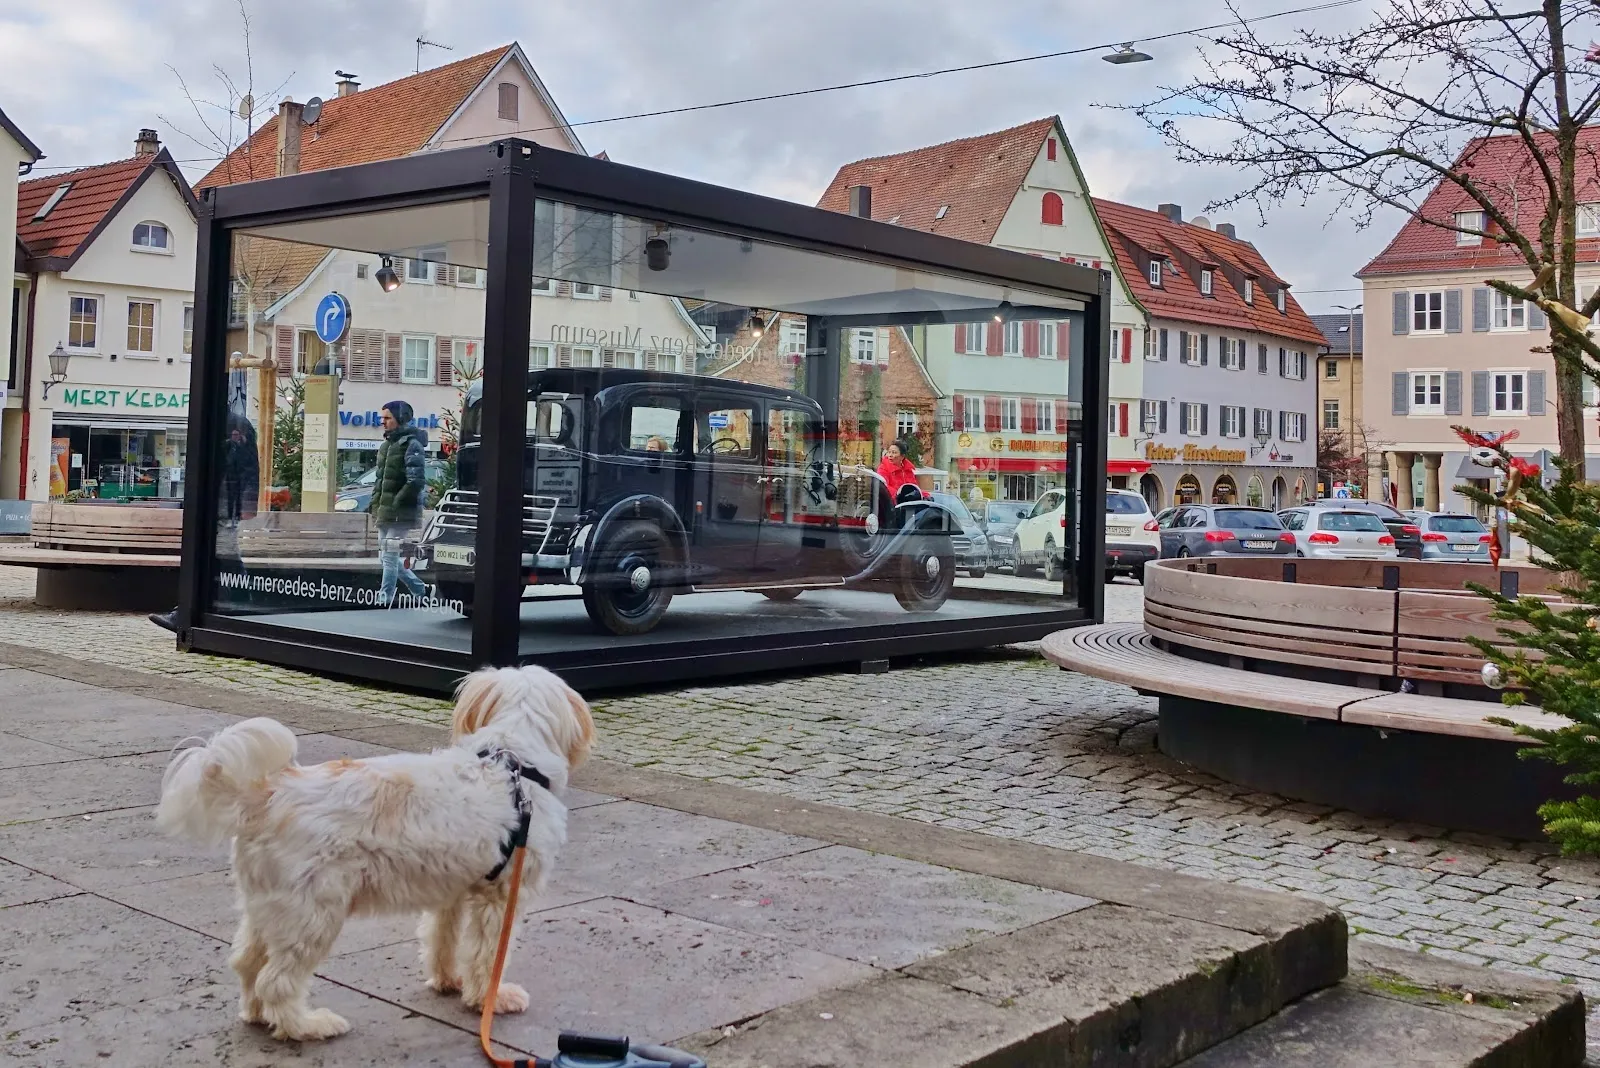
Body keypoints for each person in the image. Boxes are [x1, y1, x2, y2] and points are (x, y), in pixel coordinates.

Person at [370, 400, 429, 607]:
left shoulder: (411, 445)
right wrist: (375, 504)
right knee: (386, 558)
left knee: (389, 557)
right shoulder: (387, 445)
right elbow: (380, 480)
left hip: (400, 512)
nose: (382, 422)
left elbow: (416, 481)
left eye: (387, 418)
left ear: (400, 419)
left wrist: (396, 502)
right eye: (382, 418)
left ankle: (384, 599)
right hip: (385, 510)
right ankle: (420, 589)